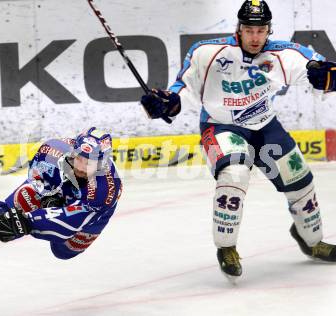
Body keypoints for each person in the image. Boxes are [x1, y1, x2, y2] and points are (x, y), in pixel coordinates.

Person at [141, 0, 336, 280]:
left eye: (261, 30)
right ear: (239, 29)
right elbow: (182, 88)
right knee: (234, 175)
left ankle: (312, 241)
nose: (255, 37)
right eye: (249, 30)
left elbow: (317, 69)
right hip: (221, 127)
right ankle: (226, 247)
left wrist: (328, 77)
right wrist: (168, 103)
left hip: (265, 127)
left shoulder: (284, 54)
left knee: (300, 179)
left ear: (269, 30)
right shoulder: (207, 52)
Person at [0, 127, 122, 260]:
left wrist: (28, 221)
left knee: (63, 252)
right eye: (79, 159)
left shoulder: (104, 191)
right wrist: (44, 194)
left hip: (90, 217)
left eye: (88, 163)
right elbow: (36, 177)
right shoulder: (53, 149)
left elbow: (70, 223)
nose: (81, 167)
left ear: (102, 162)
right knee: (9, 217)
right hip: (58, 188)